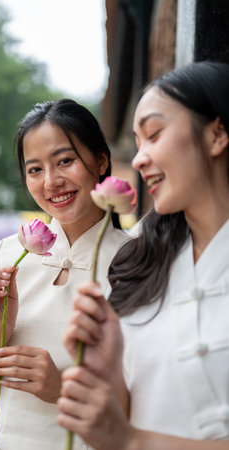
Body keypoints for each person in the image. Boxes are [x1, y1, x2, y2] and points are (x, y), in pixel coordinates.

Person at [58, 61, 229, 450]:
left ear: (217, 134)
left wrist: (133, 441)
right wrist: (108, 372)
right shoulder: (138, 261)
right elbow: (125, 420)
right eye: (137, 143)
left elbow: (127, 437)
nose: (138, 159)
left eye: (153, 134)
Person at [0, 99, 129, 450]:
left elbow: (149, 400)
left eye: (65, 161)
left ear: (100, 160)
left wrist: (61, 387)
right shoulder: (9, 253)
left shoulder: (137, 261)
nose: (51, 182)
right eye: (35, 170)